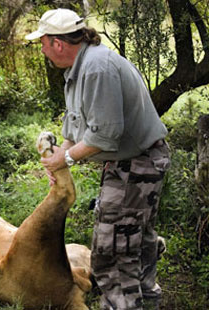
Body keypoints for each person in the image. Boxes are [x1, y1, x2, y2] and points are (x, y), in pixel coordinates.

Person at [25, 8, 171, 310]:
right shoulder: (78, 71)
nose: (41, 49)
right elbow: (75, 133)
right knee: (134, 238)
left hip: (138, 165)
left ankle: (125, 304)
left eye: (42, 42)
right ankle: (146, 298)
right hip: (126, 164)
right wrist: (59, 162)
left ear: (58, 43)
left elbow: (105, 135)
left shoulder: (96, 69)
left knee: (113, 250)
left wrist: (64, 158)